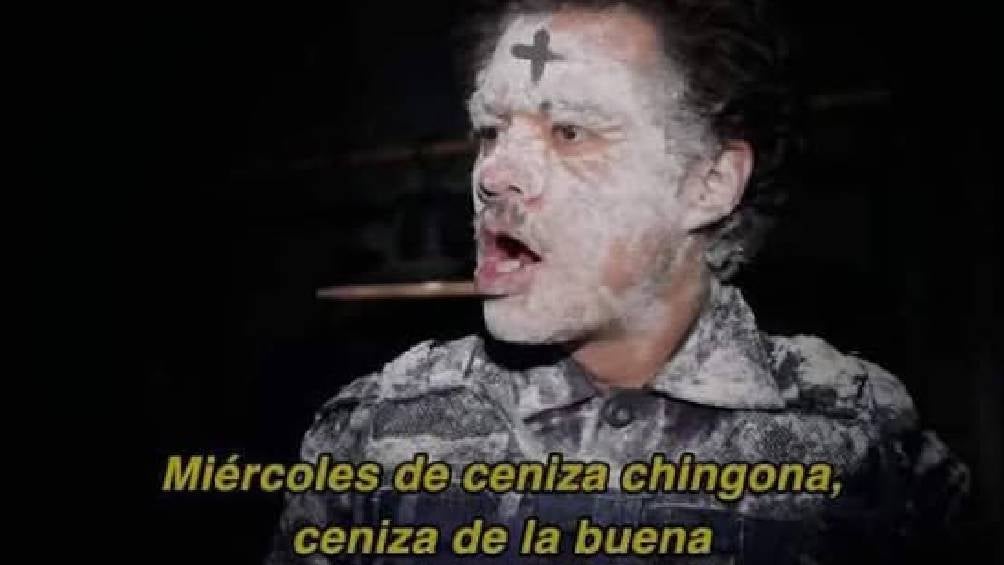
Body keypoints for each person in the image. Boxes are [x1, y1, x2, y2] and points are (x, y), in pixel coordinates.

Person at [267, 1, 969, 562]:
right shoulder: (381, 430)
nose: (493, 173)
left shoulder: (860, 440)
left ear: (708, 183)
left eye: (569, 131)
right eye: (490, 131)